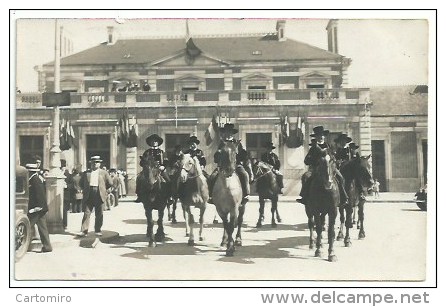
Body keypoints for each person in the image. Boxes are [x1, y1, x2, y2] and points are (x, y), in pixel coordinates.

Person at [297, 125, 348, 205]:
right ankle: (305, 197)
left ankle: (343, 197)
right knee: (306, 177)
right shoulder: (313, 148)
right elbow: (306, 161)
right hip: (316, 169)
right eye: (318, 135)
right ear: (316, 137)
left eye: (322, 135)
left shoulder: (329, 146)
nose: (320, 137)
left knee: (341, 178)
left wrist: (334, 160)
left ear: (324, 136)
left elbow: (333, 157)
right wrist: (315, 160)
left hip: (330, 168)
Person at [208, 123, 251, 205]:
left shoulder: (237, 143)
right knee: (212, 177)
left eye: (229, 132)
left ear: (232, 133)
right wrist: (218, 153)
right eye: (226, 132)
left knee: (244, 174)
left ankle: (246, 194)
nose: (227, 134)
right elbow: (216, 158)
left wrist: (238, 151)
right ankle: (211, 196)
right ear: (224, 133)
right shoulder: (221, 143)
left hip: (235, 165)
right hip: (222, 166)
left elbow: (243, 156)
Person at [77, 156, 113, 237]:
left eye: (97, 162)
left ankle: (97, 230)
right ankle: (84, 231)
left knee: (99, 213)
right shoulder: (86, 173)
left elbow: (110, 183)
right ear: (91, 163)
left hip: (99, 194)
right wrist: (86, 189)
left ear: (99, 163)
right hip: (89, 194)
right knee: (87, 213)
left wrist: (103, 189)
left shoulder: (104, 173)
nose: (95, 164)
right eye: (93, 162)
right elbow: (81, 183)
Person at [26, 163, 52, 253]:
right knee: (42, 228)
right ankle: (47, 247)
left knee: (27, 226)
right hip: (39, 208)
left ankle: (24, 246)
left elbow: (40, 195)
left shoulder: (35, 179)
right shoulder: (33, 178)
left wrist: (38, 207)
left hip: (37, 209)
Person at [61, 160, 74, 230]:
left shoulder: (68, 175)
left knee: (64, 210)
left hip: (66, 195)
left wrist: (67, 186)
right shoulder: (57, 173)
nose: (62, 168)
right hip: (58, 195)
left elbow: (72, 185)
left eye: (63, 166)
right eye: (61, 167)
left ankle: (64, 224)